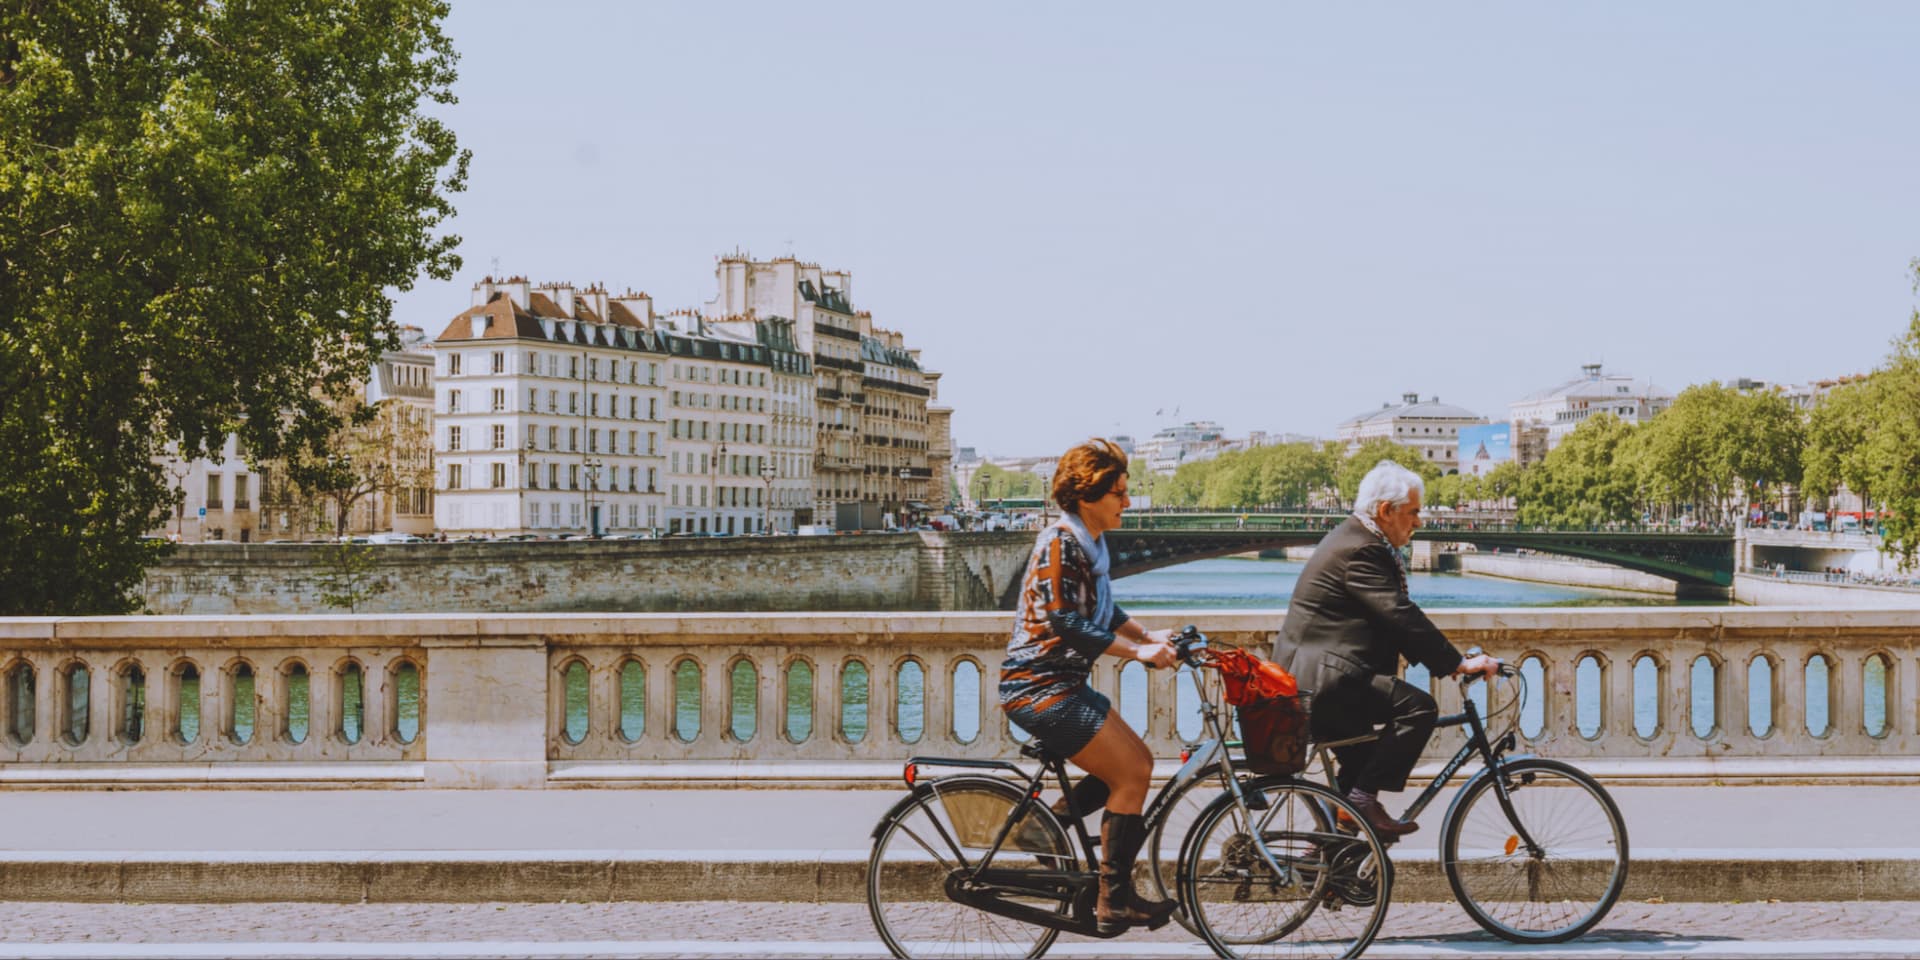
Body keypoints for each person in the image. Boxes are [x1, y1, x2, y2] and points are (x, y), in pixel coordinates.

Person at [1000, 438, 1179, 933]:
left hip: (1061, 684)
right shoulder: (1059, 542)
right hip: (1037, 686)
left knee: (1135, 764)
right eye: (1119, 493)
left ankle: (1047, 827)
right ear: (1087, 497)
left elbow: (1103, 611)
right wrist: (1139, 652)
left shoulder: (1088, 546)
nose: (1127, 501)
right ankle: (1112, 902)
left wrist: (1148, 635)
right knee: (1131, 773)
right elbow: (1066, 622)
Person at [1272, 460, 1499, 838]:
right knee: (1419, 708)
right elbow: (1397, 612)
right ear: (1385, 511)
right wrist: (1456, 663)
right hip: (1326, 680)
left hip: (1321, 675)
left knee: (1360, 767)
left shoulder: (1356, 538)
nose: (1419, 522)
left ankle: (1328, 859)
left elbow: (1388, 617)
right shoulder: (1361, 548)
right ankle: (1360, 803)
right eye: (1413, 512)